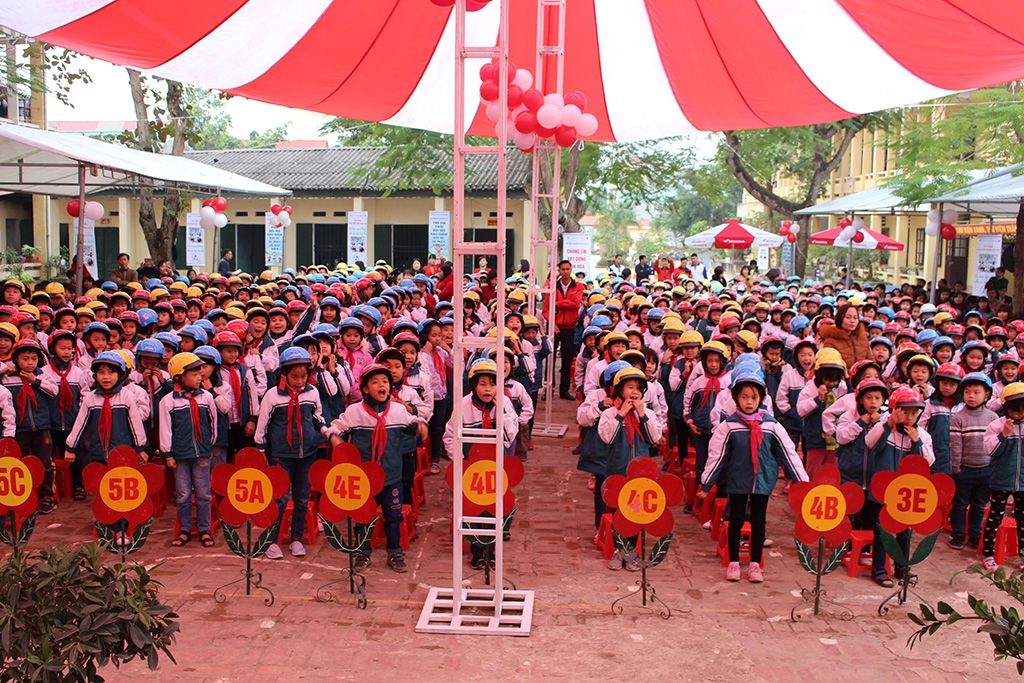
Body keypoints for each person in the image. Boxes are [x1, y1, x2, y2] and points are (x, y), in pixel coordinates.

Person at [701, 366, 807, 582]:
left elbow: (788, 452)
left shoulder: (771, 425)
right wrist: (706, 483)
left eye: (754, 397)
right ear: (736, 398)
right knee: (735, 520)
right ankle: (733, 562)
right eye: (744, 397)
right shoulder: (729, 426)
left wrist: (802, 482)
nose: (749, 402)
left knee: (759, 521)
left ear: (761, 399)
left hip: (763, 480)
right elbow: (716, 455)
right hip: (738, 479)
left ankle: (755, 563)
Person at [328, 362, 424, 573]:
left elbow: (414, 423)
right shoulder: (354, 412)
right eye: (375, 382)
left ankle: (395, 551)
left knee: (394, 516)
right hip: (364, 478)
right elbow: (337, 427)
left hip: (392, 476)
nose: (382, 385)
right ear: (364, 389)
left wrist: (419, 427)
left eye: (385, 382)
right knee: (364, 517)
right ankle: (363, 552)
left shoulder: (398, 411)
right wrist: (335, 438)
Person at [256, 347, 326, 560]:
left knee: (302, 498)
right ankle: (272, 540)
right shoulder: (272, 395)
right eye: (294, 377)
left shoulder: (312, 392)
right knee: (279, 498)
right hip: (281, 454)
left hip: (307, 453)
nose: (299, 381)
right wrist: (260, 448)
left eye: (304, 376)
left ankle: (296, 538)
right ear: (284, 374)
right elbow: (263, 425)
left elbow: (317, 417)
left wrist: (324, 432)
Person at [161, 352, 218, 549]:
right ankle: (184, 529)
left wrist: (209, 446)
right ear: (179, 377)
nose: (199, 377)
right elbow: (166, 429)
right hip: (180, 455)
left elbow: (213, 424)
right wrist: (168, 454)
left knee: (203, 493)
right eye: (194, 374)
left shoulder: (207, 398)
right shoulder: (168, 401)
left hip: (202, 453)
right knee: (183, 494)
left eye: (200, 373)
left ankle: (205, 529)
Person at [949, 372, 995, 551]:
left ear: (987, 395)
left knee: (979, 504)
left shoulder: (992, 417)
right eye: (968, 392)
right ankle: (958, 535)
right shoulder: (959, 417)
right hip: (965, 469)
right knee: (960, 504)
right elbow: (956, 445)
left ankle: (975, 535)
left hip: (986, 469)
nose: (972, 396)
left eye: (977, 392)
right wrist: (956, 468)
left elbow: (994, 444)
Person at [981, 382, 1024, 571]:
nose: (1019, 413)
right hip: (1001, 481)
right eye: (1015, 409)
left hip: (1023, 483)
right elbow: (990, 451)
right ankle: (988, 554)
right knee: (994, 518)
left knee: (1023, 519)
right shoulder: (996, 426)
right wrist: (1004, 435)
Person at [553, 260, 583, 400]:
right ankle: (549, 389)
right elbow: (547, 308)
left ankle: (564, 390)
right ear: (559, 270)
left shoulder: (578, 286)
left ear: (571, 270)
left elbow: (576, 304)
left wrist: (558, 303)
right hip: (554, 326)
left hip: (570, 327)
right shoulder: (552, 286)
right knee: (550, 359)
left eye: (567, 269)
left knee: (566, 360)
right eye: (562, 269)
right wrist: (552, 323)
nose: (565, 271)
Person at [820, 303, 871, 370]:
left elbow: (870, 359)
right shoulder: (831, 341)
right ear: (840, 319)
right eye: (848, 317)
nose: (852, 321)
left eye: (855, 318)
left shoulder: (863, 338)